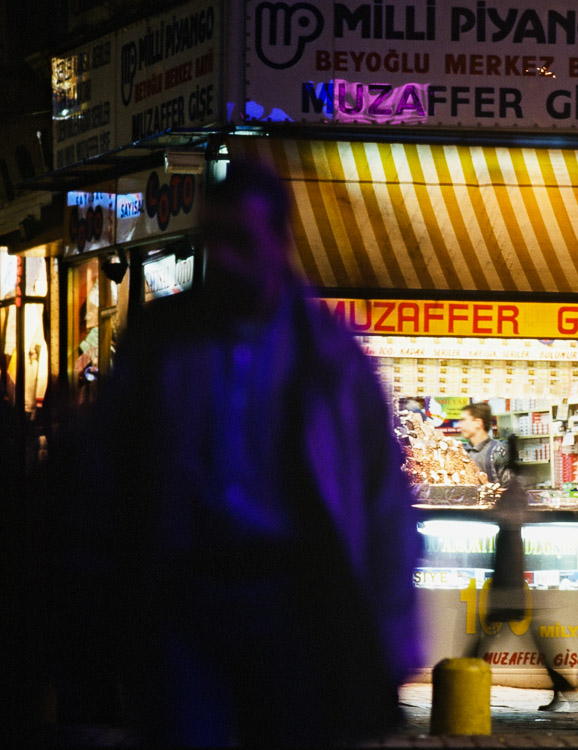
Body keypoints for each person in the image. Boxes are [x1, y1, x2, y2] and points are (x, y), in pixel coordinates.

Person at [81, 159, 421, 745]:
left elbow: (382, 497)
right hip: (185, 599)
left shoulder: (330, 354)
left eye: (242, 239)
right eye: (215, 239)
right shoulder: (163, 342)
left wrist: (392, 634)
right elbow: (108, 476)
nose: (227, 258)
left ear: (279, 241)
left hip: (293, 604)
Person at [458, 401, 578, 711]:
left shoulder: (511, 492)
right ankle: (562, 688)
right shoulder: (516, 491)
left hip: (508, 575)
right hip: (509, 574)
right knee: (531, 637)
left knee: (497, 639)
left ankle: (461, 685)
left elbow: (506, 522)